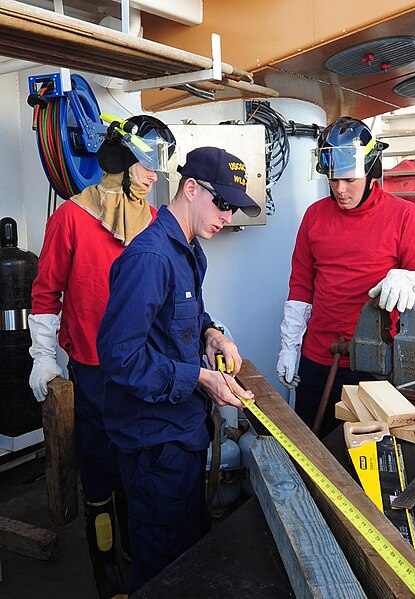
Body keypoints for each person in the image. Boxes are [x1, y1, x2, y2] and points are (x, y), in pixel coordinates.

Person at [96, 146, 260, 593]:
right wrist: (201, 379)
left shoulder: (189, 252)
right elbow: (119, 356)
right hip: (155, 444)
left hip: (184, 435)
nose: (227, 216)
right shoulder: (150, 259)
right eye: (222, 203)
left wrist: (213, 335)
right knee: (164, 567)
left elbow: (187, 317)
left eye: (234, 207)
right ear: (190, 189)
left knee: (189, 553)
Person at [28, 113, 176, 599]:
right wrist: (43, 356)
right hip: (91, 369)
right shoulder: (70, 217)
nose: (155, 175)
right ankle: (104, 568)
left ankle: (137, 554)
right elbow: (47, 291)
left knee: (137, 459)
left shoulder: (152, 219)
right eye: (148, 163)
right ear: (122, 160)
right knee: (98, 467)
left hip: (142, 367)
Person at [276, 116, 415, 438]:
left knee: (369, 462)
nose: (340, 190)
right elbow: (301, 286)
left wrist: (410, 279)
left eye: (349, 180)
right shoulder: (314, 216)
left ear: (371, 172)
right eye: (333, 180)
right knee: (312, 451)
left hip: (376, 364)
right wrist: (289, 347)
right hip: (317, 359)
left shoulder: (404, 217)